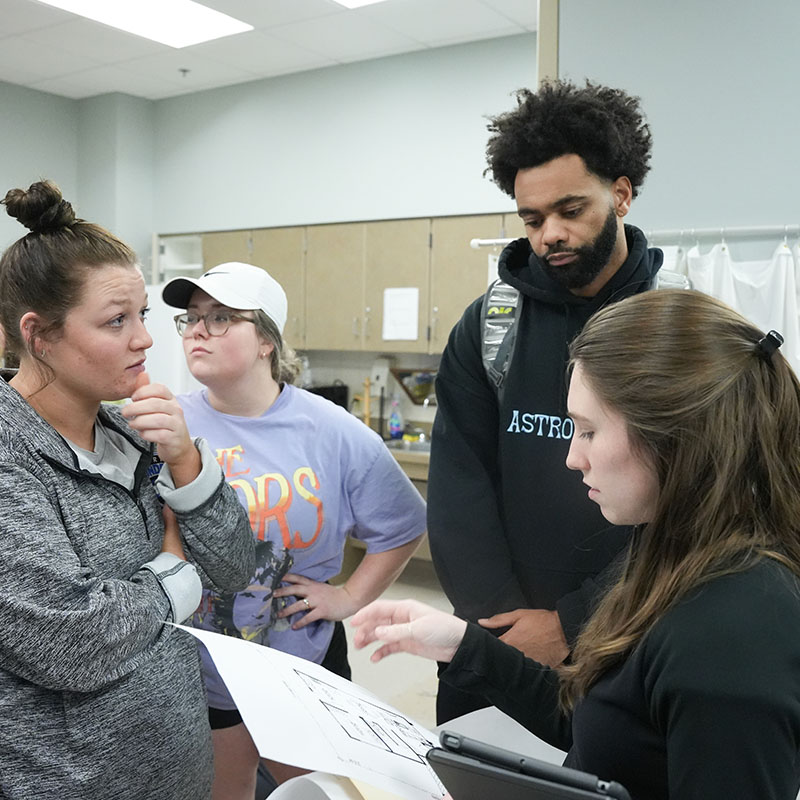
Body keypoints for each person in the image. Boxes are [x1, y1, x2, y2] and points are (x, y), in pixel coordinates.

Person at [353, 288, 800, 800]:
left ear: (675, 436)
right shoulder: (669, 551)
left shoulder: (733, 635)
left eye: (588, 431)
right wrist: (461, 645)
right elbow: (601, 723)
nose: (571, 458)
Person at [0, 180, 255, 799]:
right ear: (39, 335)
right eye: (116, 321)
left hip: (179, 768)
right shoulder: (12, 456)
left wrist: (189, 462)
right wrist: (175, 569)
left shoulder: (134, 431)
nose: (145, 339)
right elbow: (70, 640)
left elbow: (235, 568)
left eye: (142, 314)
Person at [427, 80, 664, 723]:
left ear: (620, 194)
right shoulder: (489, 325)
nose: (549, 235)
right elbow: (458, 487)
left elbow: (702, 503)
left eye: (570, 210)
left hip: (631, 634)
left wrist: (574, 621)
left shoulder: (673, 331)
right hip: (494, 632)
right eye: (532, 219)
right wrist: (505, 629)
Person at [161, 261, 427, 799]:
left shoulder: (332, 432)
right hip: (204, 663)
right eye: (191, 318)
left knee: (321, 792)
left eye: (219, 319)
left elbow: (403, 525)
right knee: (225, 790)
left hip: (301, 656)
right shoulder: (168, 424)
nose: (196, 331)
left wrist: (349, 596)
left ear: (266, 341)